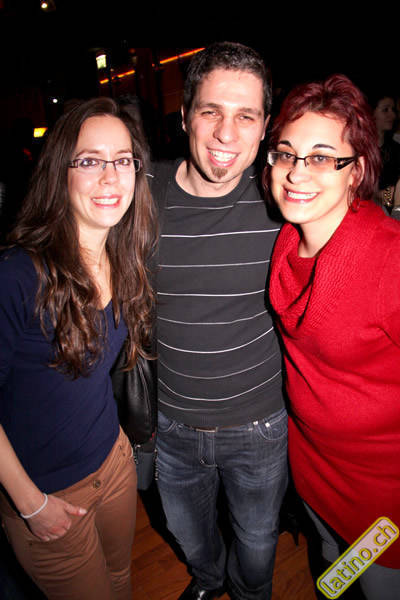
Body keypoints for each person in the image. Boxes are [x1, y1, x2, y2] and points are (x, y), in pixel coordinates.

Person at [0, 97, 156, 600]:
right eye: (90, 160)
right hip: (47, 493)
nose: (111, 177)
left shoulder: (123, 255)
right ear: (59, 173)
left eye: (122, 159)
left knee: (121, 581)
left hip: (112, 463)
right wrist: (30, 503)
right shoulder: (17, 275)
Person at [153, 42, 287, 600]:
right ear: (185, 115)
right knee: (191, 538)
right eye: (211, 111)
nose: (226, 134)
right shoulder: (139, 196)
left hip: (259, 428)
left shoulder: (285, 201)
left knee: (256, 548)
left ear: (265, 127)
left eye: (245, 116)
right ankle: (208, 583)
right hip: (171, 427)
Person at [264, 74, 400, 599]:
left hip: (382, 497)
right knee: (332, 576)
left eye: (321, 157)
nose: (297, 172)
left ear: (356, 171)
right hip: (314, 470)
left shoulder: (388, 259)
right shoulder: (287, 238)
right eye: (286, 153)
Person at [370, 93, 400, 211]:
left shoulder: (396, 149)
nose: (392, 115)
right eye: (385, 110)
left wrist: (388, 196)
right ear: (371, 113)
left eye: (393, 110)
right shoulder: (359, 149)